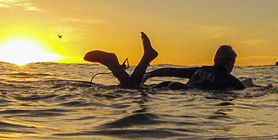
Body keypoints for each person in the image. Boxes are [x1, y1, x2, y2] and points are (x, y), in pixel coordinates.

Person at [84, 33, 246, 90]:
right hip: (181, 91)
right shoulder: (229, 79)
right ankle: (116, 66)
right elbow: (246, 91)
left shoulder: (200, 69)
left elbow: (173, 71)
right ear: (230, 63)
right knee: (131, 91)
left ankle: (143, 59)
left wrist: (151, 74)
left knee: (131, 89)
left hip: (170, 85)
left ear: (215, 59)